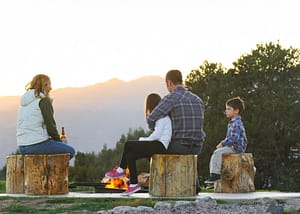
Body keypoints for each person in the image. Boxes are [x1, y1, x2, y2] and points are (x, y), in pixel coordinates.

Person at [105, 93, 172, 196]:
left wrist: (142, 140)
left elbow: (156, 136)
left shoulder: (162, 117)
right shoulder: (161, 117)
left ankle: (121, 169)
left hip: (160, 146)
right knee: (130, 155)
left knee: (128, 144)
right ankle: (133, 184)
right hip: (157, 145)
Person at [17, 74, 75, 159]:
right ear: (44, 86)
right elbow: (51, 127)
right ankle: (50, 172)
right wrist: (60, 143)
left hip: (22, 147)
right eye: (49, 84)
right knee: (70, 151)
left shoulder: (24, 103)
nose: (51, 88)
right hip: (36, 145)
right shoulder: (43, 101)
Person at [147, 69, 205, 155]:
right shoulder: (198, 100)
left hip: (178, 146)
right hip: (197, 148)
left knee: (149, 149)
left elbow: (151, 119)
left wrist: (157, 129)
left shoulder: (170, 98)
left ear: (169, 83)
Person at [205, 96, 248, 185]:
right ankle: (215, 175)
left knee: (217, 153)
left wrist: (222, 143)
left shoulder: (236, 123)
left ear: (236, 111)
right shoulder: (233, 122)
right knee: (217, 152)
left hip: (236, 148)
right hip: (232, 147)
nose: (226, 111)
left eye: (229, 109)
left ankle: (215, 175)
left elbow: (234, 138)